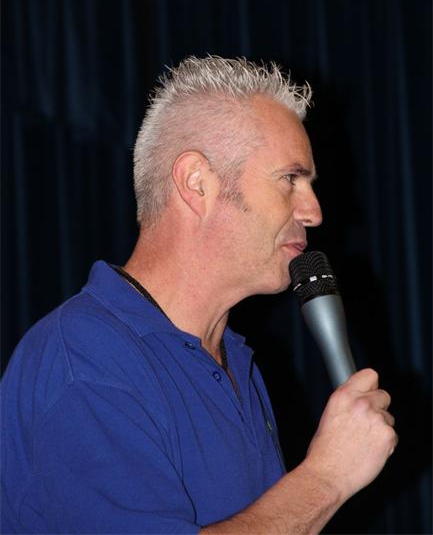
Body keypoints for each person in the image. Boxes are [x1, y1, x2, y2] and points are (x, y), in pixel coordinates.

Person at [1, 56, 397, 534]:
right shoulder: (85, 360)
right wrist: (326, 479)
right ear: (196, 183)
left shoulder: (233, 360)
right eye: (290, 179)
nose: (313, 212)